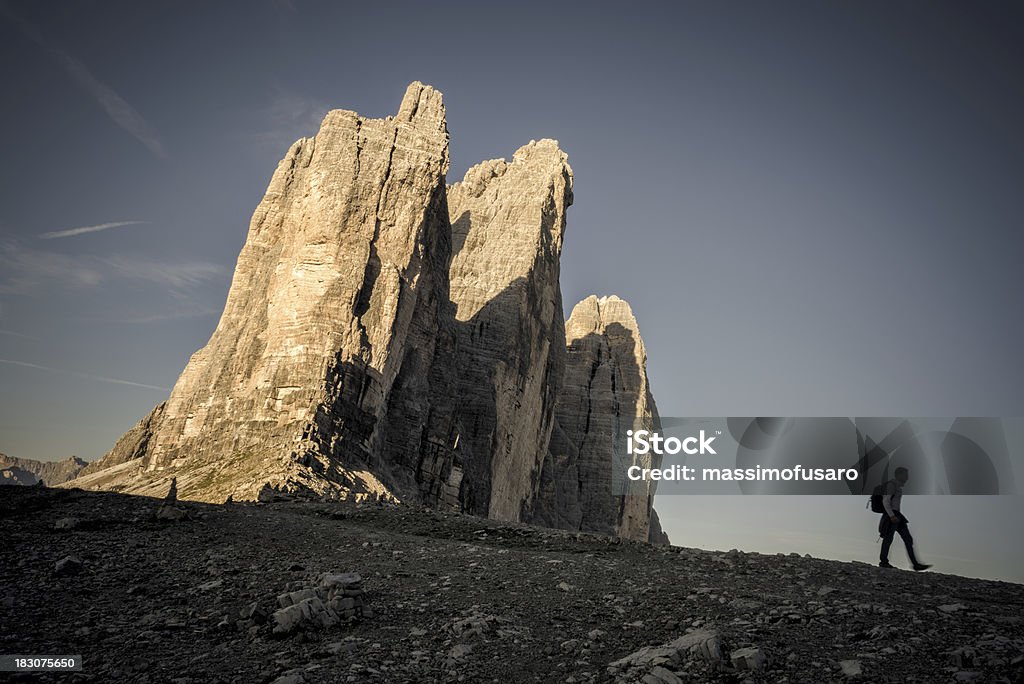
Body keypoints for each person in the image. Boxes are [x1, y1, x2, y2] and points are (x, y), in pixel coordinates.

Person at [878, 467, 931, 571]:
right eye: (905, 475)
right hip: (892, 515)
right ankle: (883, 562)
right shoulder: (892, 485)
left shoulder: (897, 487)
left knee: (908, 539)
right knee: (888, 539)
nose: (907, 478)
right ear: (899, 475)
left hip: (897, 515)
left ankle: (915, 564)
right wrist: (891, 516)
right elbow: (886, 500)